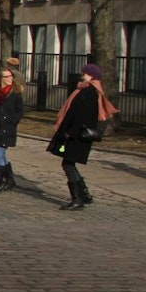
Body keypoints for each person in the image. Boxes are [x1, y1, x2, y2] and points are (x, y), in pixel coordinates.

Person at [46, 63, 117, 211]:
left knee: (68, 164)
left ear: (91, 75)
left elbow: (82, 116)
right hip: (75, 134)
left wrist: (69, 132)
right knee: (69, 163)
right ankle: (83, 195)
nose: (82, 75)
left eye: (84, 73)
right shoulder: (85, 90)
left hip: (77, 135)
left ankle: (78, 198)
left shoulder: (89, 92)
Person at [0, 67, 25, 194]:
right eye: (7, 76)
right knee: (1, 155)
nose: (10, 78)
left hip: (7, 128)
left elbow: (19, 111)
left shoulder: (15, 93)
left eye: (11, 76)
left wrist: (12, 122)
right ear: (0, 79)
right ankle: (10, 180)